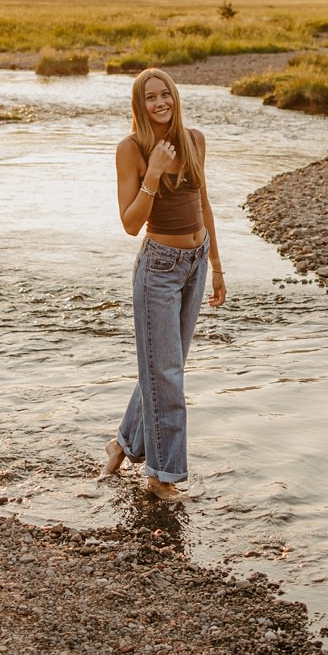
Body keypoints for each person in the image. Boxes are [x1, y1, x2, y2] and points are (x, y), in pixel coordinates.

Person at [101, 67, 226, 500]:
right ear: (140, 105)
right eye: (151, 97)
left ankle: (123, 443)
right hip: (158, 267)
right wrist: (152, 174)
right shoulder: (131, 149)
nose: (160, 103)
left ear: (174, 97)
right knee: (166, 373)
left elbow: (203, 201)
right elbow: (130, 223)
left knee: (163, 368)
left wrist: (216, 263)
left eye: (165, 95)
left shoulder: (194, 140)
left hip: (195, 262)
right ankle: (161, 476)